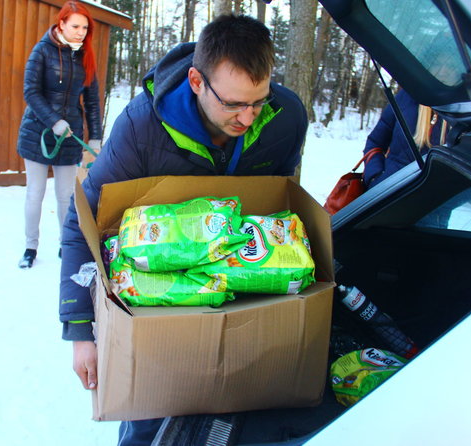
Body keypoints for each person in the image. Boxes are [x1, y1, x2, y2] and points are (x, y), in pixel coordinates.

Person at [60, 14, 309, 445]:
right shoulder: (141, 128)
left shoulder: (286, 119)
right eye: (232, 104)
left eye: (258, 101)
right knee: (148, 423)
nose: (247, 118)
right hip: (159, 305)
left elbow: (278, 200)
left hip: (246, 293)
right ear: (196, 81)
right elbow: (80, 222)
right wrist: (81, 330)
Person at [16, 0, 102, 268]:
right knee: (35, 192)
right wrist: (53, 121)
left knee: (66, 195)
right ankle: (31, 247)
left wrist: (95, 137)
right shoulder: (42, 51)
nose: (81, 32)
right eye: (75, 26)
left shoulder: (85, 56)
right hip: (37, 133)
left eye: (85, 28)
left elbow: (91, 101)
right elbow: (31, 91)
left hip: (68, 137)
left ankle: (66, 244)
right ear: (61, 23)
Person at [363, 89, 444, 189]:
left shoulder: (465, 109)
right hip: (388, 192)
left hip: (439, 200)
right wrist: (375, 178)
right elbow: (375, 142)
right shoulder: (406, 97)